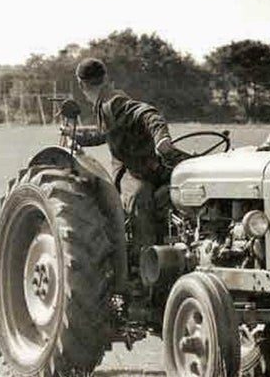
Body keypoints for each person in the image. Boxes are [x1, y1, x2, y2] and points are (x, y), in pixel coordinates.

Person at [69, 57, 187, 260]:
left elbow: (147, 113)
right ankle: (144, 264)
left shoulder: (113, 101)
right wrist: (77, 136)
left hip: (142, 168)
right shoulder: (104, 103)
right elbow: (106, 133)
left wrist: (161, 137)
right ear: (105, 77)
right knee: (139, 197)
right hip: (136, 170)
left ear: (81, 85)